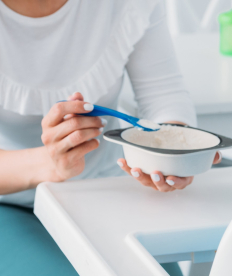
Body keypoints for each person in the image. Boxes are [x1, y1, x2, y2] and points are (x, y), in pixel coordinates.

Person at [0, 0, 219, 275]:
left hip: (111, 191)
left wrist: (170, 150)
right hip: (10, 205)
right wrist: (49, 163)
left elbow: (164, 92)